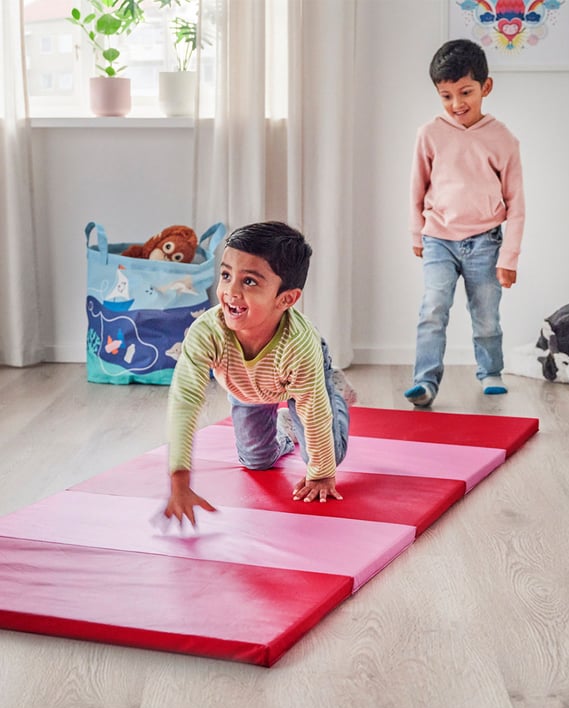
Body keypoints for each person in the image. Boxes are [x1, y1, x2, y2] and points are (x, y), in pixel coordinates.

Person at [163, 220, 357, 527]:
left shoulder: (298, 344)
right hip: (246, 387)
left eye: (249, 282)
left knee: (329, 453)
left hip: (299, 383)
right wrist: (179, 476)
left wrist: (321, 474)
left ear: (286, 299)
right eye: (226, 275)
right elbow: (185, 400)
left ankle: (335, 391)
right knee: (256, 461)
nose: (229, 292)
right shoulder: (206, 333)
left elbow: (313, 411)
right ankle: (286, 427)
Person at [405, 38, 525, 408]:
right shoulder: (429, 134)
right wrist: (416, 231)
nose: (456, 104)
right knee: (432, 308)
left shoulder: (503, 139)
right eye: (446, 96)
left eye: (465, 92)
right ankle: (425, 381)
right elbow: (417, 186)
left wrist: (509, 256)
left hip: (486, 242)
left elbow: (516, 203)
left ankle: (490, 371)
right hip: (439, 239)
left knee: (486, 313)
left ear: (485, 88)